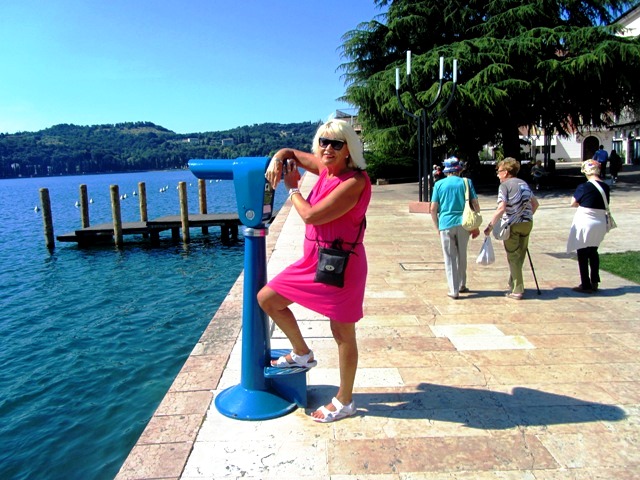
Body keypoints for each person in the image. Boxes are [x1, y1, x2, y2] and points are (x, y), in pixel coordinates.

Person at [258, 119, 371, 423]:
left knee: (342, 333)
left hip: (341, 265)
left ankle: (345, 401)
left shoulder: (354, 182)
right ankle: (302, 353)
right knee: (268, 298)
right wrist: (278, 157)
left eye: (336, 143)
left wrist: (293, 188)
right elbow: (291, 152)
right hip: (312, 262)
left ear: (348, 149)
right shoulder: (325, 168)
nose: (328, 148)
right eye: (323, 141)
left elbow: (311, 216)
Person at [483, 158, 539, 300]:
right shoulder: (523, 184)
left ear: (506, 172)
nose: (497, 174)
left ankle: (518, 289)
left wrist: (490, 225)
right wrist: (526, 216)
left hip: (512, 224)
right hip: (527, 223)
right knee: (520, 254)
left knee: (513, 256)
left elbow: (501, 207)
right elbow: (535, 204)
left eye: (499, 171)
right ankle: (513, 282)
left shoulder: (504, 186)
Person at [430, 156, 481, 299]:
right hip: (464, 223)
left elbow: (433, 209)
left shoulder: (439, 184)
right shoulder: (466, 182)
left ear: (446, 170)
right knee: (462, 254)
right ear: (459, 169)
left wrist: (437, 227)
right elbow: (475, 204)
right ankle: (462, 284)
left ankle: (454, 290)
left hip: (445, 223)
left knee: (449, 257)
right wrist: (475, 224)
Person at [566, 160, 610, 293]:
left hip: (585, 221)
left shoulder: (584, 186)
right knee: (593, 251)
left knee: (582, 253)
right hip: (600, 222)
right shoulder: (605, 187)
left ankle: (585, 284)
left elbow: (573, 203)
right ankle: (595, 281)